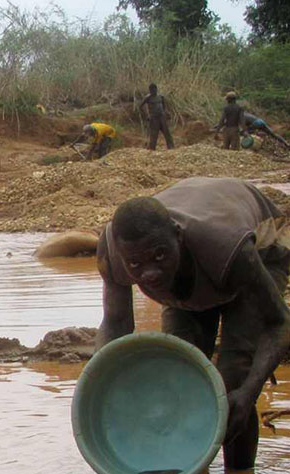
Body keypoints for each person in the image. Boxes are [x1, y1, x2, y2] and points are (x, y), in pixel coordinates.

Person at [95, 177, 290, 473]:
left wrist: (250, 389)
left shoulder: (232, 252)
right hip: (199, 264)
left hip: (261, 251)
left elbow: (280, 323)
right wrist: (101, 390)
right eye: (136, 265)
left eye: (159, 255)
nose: (149, 274)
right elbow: (116, 323)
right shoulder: (114, 253)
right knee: (178, 379)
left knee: (233, 380)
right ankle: (191, 464)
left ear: (178, 235)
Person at [139, 83, 174, 150]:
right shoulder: (148, 98)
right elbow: (140, 106)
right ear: (149, 90)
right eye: (151, 90)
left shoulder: (161, 97)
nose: (153, 91)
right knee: (154, 135)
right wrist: (147, 115)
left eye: (154, 90)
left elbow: (164, 106)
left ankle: (171, 147)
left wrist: (164, 112)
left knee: (167, 133)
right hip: (154, 118)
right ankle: (152, 149)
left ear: (156, 89)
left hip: (162, 117)